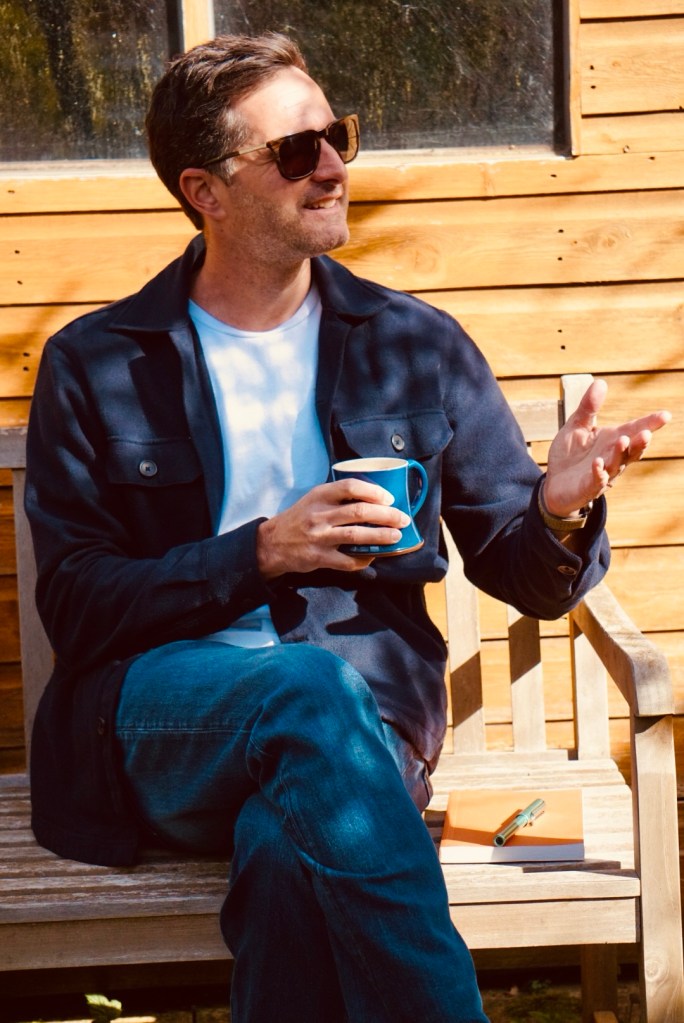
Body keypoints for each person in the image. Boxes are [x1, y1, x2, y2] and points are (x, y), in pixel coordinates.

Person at [24, 33, 670, 1023]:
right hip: (164, 725)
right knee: (307, 687)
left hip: (366, 728)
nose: (332, 166)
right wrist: (259, 553)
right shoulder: (99, 363)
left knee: (290, 848)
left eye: (338, 136)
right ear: (205, 190)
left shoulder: (413, 345)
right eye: (295, 151)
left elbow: (526, 573)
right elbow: (76, 603)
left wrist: (558, 506)